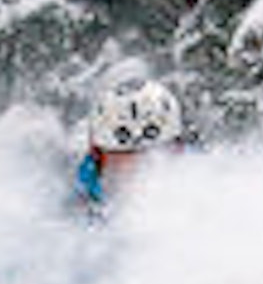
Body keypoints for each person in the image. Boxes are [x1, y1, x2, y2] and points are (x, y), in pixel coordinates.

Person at [74, 77, 186, 217]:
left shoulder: (202, 188)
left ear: (177, 150)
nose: (139, 169)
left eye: (150, 155)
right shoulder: (74, 202)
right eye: (125, 155)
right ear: (98, 156)